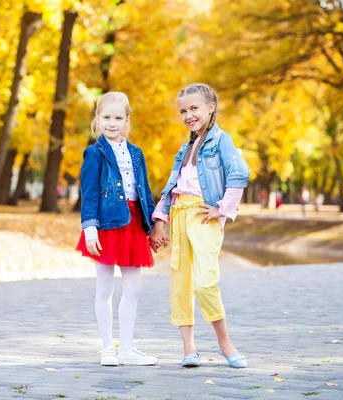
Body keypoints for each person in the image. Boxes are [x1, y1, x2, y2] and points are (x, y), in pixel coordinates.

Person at [149, 83, 250, 369]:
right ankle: (189, 347)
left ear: (210, 107)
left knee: (205, 281)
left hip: (203, 215)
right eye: (183, 110)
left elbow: (240, 173)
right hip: (179, 214)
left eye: (194, 108)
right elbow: (172, 187)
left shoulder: (221, 141)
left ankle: (224, 342)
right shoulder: (184, 149)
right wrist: (160, 221)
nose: (188, 115)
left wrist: (223, 209)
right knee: (180, 282)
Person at [75, 92, 159, 367]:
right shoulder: (94, 153)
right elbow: (89, 193)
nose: (112, 123)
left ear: (127, 121)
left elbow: (144, 191)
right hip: (106, 224)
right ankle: (107, 347)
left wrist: (154, 225)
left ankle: (127, 348)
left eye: (118, 118)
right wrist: (89, 229)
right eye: (106, 117)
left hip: (134, 223)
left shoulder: (137, 154)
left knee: (133, 288)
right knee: (105, 288)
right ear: (97, 119)